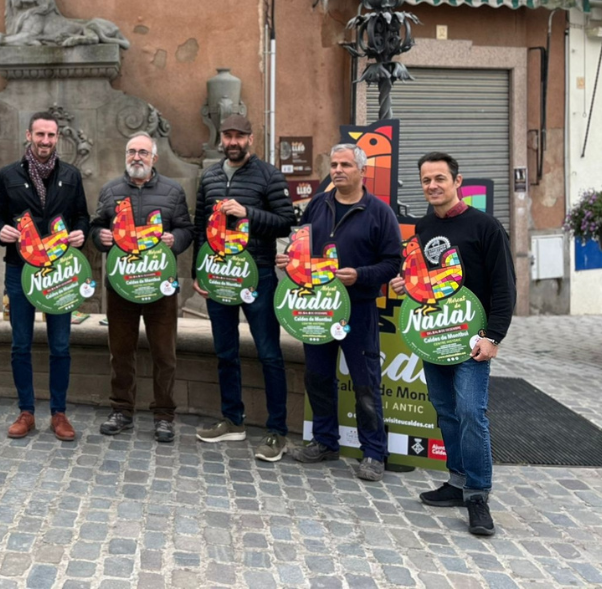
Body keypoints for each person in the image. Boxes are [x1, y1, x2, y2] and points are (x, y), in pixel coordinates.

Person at [390, 151, 515, 536]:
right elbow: (428, 284)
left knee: (470, 412)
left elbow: (504, 287)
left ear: (457, 181)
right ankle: (457, 482)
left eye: (440, 179)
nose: (432, 186)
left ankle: (478, 495)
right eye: (426, 180)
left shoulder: (485, 226)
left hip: (472, 338)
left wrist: (493, 336)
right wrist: (405, 285)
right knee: (445, 410)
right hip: (435, 335)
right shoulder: (423, 229)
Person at [279, 143, 401, 481]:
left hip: (358, 308)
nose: (338, 170)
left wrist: (360, 275)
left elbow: (393, 262)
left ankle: (374, 453)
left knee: (365, 383)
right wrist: (291, 262)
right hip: (317, 306)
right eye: (333, 164)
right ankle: (325, 442)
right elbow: (300, 245)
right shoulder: (318, 204)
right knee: (317, 376)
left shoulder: (379, 212)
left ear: (362, 171)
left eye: (346, 164)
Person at [193, 115, 296, 460]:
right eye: (228, 135)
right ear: (221, 138)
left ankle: (277, 431)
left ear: (250, 139)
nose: (233, 141)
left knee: (269, 353)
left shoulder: (269, 175)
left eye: (239, 136)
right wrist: (198, 270)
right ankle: (232, 420)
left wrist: (246, 212)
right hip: (219, 276)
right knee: (225, 352)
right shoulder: (208, 176)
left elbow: (285, 223)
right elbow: (198, 227)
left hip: (258, 276)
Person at [0, 111, 90, 442]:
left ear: (57, 138)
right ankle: (26, 411)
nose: (45, 141)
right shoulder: (7, 175)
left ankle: (59, 413)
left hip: (60, 271)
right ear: (29, 136)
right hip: (21, 269)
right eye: (40, 134)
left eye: (51, 135)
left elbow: (82, 217)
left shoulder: (71, 176)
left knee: (60, 344)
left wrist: (80, 234)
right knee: (21, 343)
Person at [90, 132, 194, 443]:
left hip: (160, 285)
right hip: (121, 285)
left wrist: (175, 240)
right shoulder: (110, 191)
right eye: (132, 152)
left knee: (165, 353)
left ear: (154, 158)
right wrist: (100, 237)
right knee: (121, 352)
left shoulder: (173, 191)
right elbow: (96, 226)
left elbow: (186, 229)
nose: (137, 157)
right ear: (126, 156)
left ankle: (164, 415)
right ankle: (121, 409)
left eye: (143, 153)